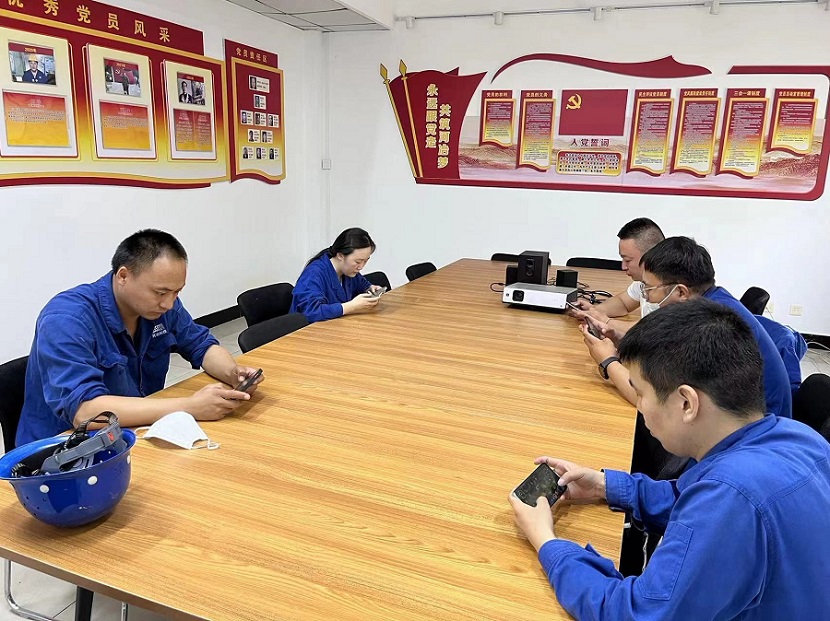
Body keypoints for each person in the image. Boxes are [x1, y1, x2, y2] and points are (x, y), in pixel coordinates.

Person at [509, 299, 830, 621]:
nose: (639, 406)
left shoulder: (731, 495)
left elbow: (635, 614)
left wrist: (546, 541)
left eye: (640, 393)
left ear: (686, 403)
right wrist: (604, 485)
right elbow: (693, 498)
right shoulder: (795, 436)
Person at [17, 230, 263, 446]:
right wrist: (190, 406)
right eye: (160, 292)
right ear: (123, 276)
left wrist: (232, 373)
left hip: (130, 431)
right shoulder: (67, 319)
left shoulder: (161, 307)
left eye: (176, 292)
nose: (169, 303)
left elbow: (201, 345)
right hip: (64, 452)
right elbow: (86, 412)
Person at [581, 236, 792, 417]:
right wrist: (621, 339)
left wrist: (607, 361)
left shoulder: (710, 327)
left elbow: (652, 401)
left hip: (750, 436)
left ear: (681, 292)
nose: (647, 297)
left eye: (649, 289)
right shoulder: (711, 301)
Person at [568, 217, 664, 335]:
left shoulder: (671, 289)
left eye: (627, 260)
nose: (623, 266)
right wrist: (593, 311)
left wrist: (604, 320)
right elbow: (623, 303)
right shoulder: (642, 282)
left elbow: (651, 331)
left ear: (650, 257)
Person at [290, 227, 382, 323]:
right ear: (340, 255)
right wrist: (351, 306)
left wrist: (370, 289)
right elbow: (312, 312)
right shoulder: (313, 274)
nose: (361, 267)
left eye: (365, 261)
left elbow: (361, 284)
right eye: (358, 261)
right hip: (309, 329)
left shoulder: (348, 270)